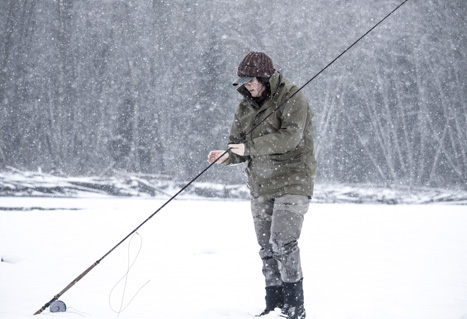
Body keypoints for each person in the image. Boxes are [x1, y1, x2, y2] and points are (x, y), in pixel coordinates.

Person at [208, 51, 317, 319]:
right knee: (266, 246)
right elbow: (238, 144)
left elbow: (290, 138)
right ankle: (274, 304)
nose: (247, 86)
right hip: (261, 182)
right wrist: (227, 156)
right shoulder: (245, 105)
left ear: (265, 77)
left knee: (283, 242)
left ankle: (294, 307)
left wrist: (249, 147)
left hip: (293, 179)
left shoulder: (293, 96)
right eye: (243, 81)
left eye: (251, 80)